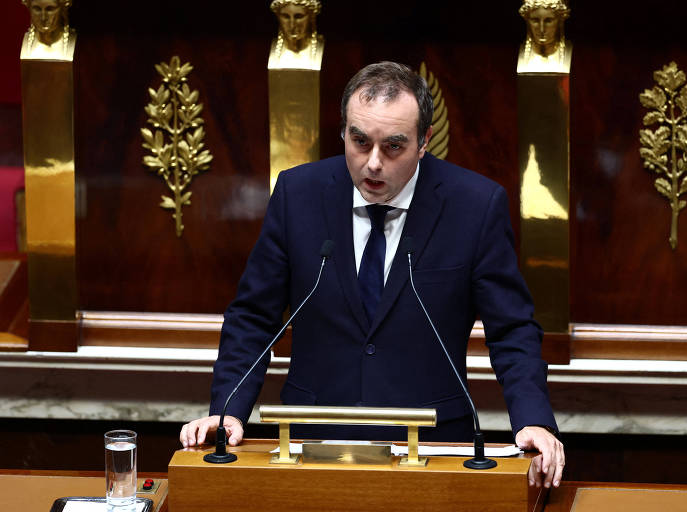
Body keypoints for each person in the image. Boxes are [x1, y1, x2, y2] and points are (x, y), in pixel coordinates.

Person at [181, 61, 565, 488]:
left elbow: (511, 329)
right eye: (360, 142)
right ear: (343, 132)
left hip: (432, 447)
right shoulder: (298, 194)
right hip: (312, 443)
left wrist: (533, 419)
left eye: (393, 146)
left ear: (424, 142)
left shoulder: (474, 206)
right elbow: (253, 317)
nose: (374, 164)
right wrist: (228, 410)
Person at [517, 0, 572, 73]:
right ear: (527, 21)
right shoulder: (516, 54)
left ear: (560, 21)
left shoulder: (573, 54)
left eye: (548, 21)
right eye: (535, 20)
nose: (542, 29)